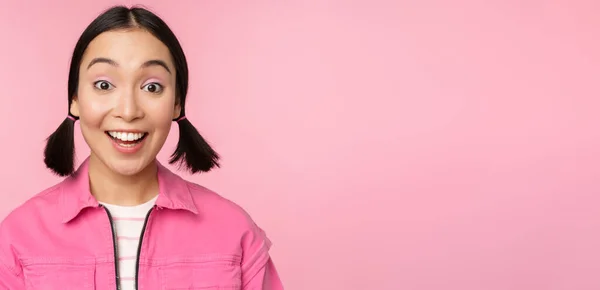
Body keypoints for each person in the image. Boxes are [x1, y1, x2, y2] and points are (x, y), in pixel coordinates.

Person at [0, 5, 284, 290]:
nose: (128, 110)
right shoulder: (16, 239)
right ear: (74, 98)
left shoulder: (235, 233)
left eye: (151, 87)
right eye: (103, 84)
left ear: (177, 103)